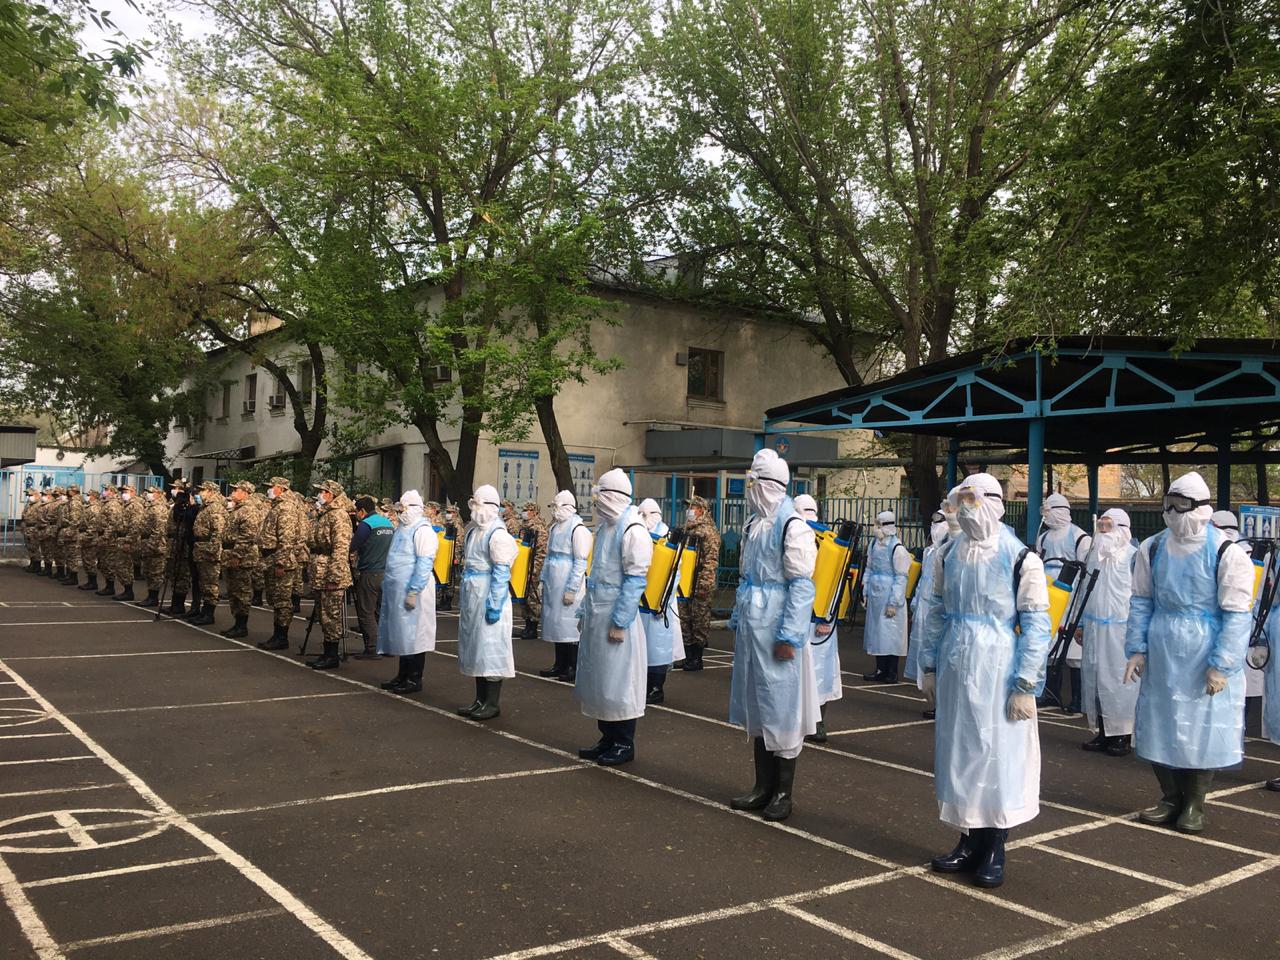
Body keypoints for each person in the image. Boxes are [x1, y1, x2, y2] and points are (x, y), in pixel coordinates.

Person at [919, 473, 1051, 889]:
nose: (966, 508)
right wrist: (928, 664)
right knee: (960, 751)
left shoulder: (1021, 558)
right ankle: (968, 837)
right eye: (962, 500)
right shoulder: (948, 554)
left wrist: (1026, 684)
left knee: (997, 754)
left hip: (998, 666)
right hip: (958, 661)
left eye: (974, 499)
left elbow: (1036, 624)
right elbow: (937, 610)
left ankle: (994, 844)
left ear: (995, 503)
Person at [1123, 471, 1254, 833]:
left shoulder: (1227, 552)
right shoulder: (1153, 547)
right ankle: (1169, 797)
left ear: (1201, 508)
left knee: (1202, 727)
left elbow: (1237, 614)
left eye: (1180, 506)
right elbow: (1141, 601)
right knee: (1158, 722)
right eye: (1169, 507)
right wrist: (1136, 648)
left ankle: (1195, 802)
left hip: (1205, 648)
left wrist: (1222, 665)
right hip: (1163, 645)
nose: (1173, 514)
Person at [727, 450, 818, 822]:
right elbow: (747, 577)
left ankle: (783, 791)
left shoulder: (791, 526)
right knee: (758, 706)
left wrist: (789, 636)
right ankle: (762, 786)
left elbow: (801, 586)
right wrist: (737, 615)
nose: (750, 489)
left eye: (754, 482)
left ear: (769, 485)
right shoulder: (754, 523)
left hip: (778, 628)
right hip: (753, 626)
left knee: (782, 709)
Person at [574, 470, 653, 766]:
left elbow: (635, 580)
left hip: (617, 616)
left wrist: (620, 620)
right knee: (599, 679)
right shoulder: (606, 528)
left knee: (619, 680)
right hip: (598, 610)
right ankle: (606, 735)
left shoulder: (633, 529)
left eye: (601, 495)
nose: (597, 502)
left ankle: (624, 741)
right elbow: (594, 573)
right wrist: (584, 610)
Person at [1079, 509, 1139, 757]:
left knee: (1120, 682)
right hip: (1095, 628)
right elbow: (1084, 590)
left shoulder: (1133, 557)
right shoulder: (1094, 555)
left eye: (1108, 525)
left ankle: (1123, 734)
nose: (1103, 530)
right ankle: (1104, 731)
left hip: (1120, 630)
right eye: (1100, 525)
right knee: (1096, 680)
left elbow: (1141, 597)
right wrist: (1081, 624)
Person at [456, 484, 518, 720]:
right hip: (474, 594)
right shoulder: (474, 531)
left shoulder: (498, 534)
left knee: (490, 649)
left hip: (490, 596)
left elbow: (502, 573)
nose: (475, 509)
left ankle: (492, 702)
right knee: (476, 649)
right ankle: (479, 699)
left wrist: (494, 604)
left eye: (480, 504)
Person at [376, 490, 438, 694]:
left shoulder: (423, 530)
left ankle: (414, 678)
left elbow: (424, 562)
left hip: (414, 591)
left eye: (404, 508)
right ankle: (402, 675)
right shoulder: (402, 528)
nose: (401, 512)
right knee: (402, 634)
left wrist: (414, 590)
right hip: (397, 589)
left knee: (415, 635)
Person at [1036, 492, 1092, 713]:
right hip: (1050, 595)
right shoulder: (1043, 537)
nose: (1046, 515)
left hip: (1072, 596)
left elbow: (1086, 570)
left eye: (1049, 510)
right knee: (1049, 643)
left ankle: (1077, 697)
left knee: (1074, 651)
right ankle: (1050, 691)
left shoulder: (1079, 537)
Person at [793, 494, 841, 743]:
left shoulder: (828, 543)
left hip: (819, 617)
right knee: (802, 671)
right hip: (801, 615)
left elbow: (836, 581)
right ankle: (801, 720)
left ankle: (818, 723)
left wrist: (827, 618)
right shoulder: (798, 539)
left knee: (819, 674)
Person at [538, 491, 591, 682]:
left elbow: (580, 562)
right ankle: (559, 663)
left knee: (569, 627)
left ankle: (572, 666)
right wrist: (543, 580)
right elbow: (548, 557)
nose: (554, 510)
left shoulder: (577, 529)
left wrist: (572, 588)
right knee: (556, 625)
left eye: (556, 506)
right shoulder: (555, 528)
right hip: (554, 581)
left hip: (567, 581)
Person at [907, 502, 953, 721]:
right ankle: (933, 698)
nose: (936, 527)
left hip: (942, 612)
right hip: (926, 607)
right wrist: (916, 602)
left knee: (942, 655)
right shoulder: (929, 551)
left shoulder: (950, 550)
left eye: (940, 522)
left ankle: (942, 703)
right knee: (927, 653)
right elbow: (923, 580)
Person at [637, 498, 685, 705]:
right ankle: (644, 685)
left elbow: (675, 572)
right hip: (643, 598)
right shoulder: (640, 533)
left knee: (657, 646)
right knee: (642, 643)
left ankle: (656, 688)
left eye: (645, 514)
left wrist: (662, 601)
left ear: (655, 514)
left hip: (660, 599)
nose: (642, 518)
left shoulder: (669, 537)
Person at [307, 480, 354, 670]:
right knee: (323, 613)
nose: (319, 494)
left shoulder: (338, 516)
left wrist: (334, 576)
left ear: (330, 494)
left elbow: (341, 549)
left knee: (331, 615)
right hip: (321, 570)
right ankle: (327, 651)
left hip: (331, 572)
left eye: (322, 492)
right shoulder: (325, 514)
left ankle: (331, 654)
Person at [862, 510, 910, 683]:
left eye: (879, 524)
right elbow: (869, 568)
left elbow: (901, 577)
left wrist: (894, 602)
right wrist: (865, 590)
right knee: (876, 634)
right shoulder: (873, 545)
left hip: (889, 595)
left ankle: (892, 671)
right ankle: (880, 669)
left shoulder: (897, 549)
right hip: (876, 596)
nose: (876, 528)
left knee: (890, 634)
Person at [257, 477, 304, 651]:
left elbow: (287, 538)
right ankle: (277, 634)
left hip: (280, 559)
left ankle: (281, 636)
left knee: (282, 600)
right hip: (272, 557)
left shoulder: (286, 507)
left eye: (271, 487)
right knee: (275, 599)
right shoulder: (277, 506)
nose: (268, 490)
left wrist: (281, 563)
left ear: (281, 489)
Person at [678, 495, 721, 671]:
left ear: (701, 510)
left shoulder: (708, 533)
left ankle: (697, 657)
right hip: (685, 582)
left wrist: (704, 584)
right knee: (684, 618)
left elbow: (710, 562)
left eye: (692, 507)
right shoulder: (688, 530)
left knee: (699, 619)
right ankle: (687, 655)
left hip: (699, 582)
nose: (689, 511)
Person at [351, 495, 394, 658]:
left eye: (356, 512)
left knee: (366, 611)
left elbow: (352, 546)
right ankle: (386, 646)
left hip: (369, 571)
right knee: (381, 611)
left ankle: (372, 647)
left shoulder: (366, 524)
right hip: (386, 572)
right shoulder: (388, 523)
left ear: (362, 511)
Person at [220, 482, 261, 638]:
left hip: (242, 557)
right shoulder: (238, 509)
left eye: (237, 490)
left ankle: (242, 625)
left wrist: (237, 555)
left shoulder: (248, 510)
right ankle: (237, 623)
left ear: (246, 493)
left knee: (241, 592)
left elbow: (247, 536)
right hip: (231, 554)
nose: (233, 492)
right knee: (233, 591)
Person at [187, 481, 226, 625]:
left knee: (210, 583)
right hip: (201, 548)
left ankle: (209, 614)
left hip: (208, 550)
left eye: (203, 490)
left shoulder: (214, 508)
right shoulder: (205, 507)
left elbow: (218, 532)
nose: (200, 493)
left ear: (211, 491)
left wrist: (212, 551)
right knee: (204, 582)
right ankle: (204, 611)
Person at [519, 500, 549, 639]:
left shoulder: (539, 528)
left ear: (534, 512)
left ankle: (533, 626)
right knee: (525, 596)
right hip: (524, 566)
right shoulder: (524, 526)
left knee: (533, 597)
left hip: (534, 567)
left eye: (527, 510)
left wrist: (535, 569)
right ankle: (527, 624)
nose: (524, 512)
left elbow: (541, 552)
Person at [136, 484, 169, 608]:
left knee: (155, 572)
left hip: (156, 545)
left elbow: (159, 529)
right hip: (147, 543)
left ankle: (153, 597)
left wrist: (151, 545)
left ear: (159, 494)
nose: (148, 494)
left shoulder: (159, 508)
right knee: (149, 571)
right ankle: (150, 596)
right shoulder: (151, 506)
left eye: (151, 492)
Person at [58, 484, 85, 585]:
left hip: (72, 533)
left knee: (72, 555)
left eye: (69, 491)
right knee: (69, 555)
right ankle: (70, 575)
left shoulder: (75, 502)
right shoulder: (71, 501)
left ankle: (73, 578)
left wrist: (70, 530)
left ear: (73, 491)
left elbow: (75, 519)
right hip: (69, 531)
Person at [77, 490, 102, 592]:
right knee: (86, 561)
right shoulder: (88, 507)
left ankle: (93, 582)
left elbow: (93, 526)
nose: (87, 497)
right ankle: (90, 581)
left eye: (88, 495)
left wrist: (86, 536)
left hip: (90, 538)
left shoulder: (95, 508)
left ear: (93, 497)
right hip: (86, 536)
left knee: (90, 561)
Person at [21, 488, 42, 573]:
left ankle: (37, 566)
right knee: (29, 547)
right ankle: (32, 564)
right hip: (27, 528)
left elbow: (40, 518)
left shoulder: (39, 505)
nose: (29, 497)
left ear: (36, 495)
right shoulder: (29, 504)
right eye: (28, 495)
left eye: (30, 495)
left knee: (35, 547)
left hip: (34, 528)